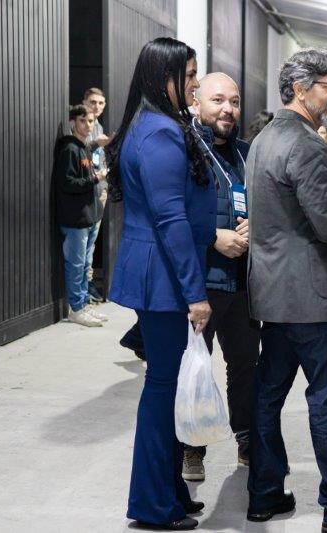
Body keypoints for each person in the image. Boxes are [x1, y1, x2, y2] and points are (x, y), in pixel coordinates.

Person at [245, 49, 327, 533]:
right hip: (318, 300)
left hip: (275, 297)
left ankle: (264, 494)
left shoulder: (263, 140)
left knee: (268, 397)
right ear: (300, 89)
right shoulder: (307, 144)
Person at [106, 37, 210, 531]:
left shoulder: (151, 125)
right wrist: (195, 292)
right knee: (163, 389)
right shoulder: (159, 132)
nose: (195, 84)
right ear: (162, 77)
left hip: (159, 272)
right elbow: (170, 218)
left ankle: (169, 492)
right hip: (164, 278)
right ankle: (153, 504)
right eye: (188, 76)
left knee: (166, 388)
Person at [180, 72, 261, 481]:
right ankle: (191, 448)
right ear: (197, 102)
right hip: (201, 281)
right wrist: (215, 237)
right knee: (196, 366)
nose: (228, 109)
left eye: (234, 101)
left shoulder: (248, 153)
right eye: (218, 100)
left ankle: (247, 441)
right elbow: (171, 214)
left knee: (245, 366)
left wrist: (256, 226)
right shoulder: (184, 149)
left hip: (245, 282)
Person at [53, 104, 107, 327]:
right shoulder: (70, 149)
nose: (87, 125)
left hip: (89, 217)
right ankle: (76, 309)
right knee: (76, 266)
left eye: (91, 121)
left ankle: (83, 305)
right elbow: (67, 183)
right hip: (75, 219)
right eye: (83, 120)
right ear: (72, 123)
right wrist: (96, 178)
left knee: (85, 265)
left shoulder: (83, 147)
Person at [82, 88, 111, 302]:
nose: (97, 106)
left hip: (100, 189)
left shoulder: (98, 125)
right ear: (85, 101)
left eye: (101, 103)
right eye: (93, 102)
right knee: (83, 241)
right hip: (86, 189)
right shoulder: (82, 124)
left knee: (91, 240)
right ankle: (84, 287)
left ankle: (88, 283)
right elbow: (80, 152)